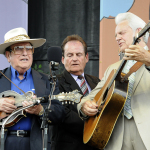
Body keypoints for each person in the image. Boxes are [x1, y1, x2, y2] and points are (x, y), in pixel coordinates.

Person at [77, 12, 150, 150]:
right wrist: (84, 106)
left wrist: (148, 60)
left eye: (122, 33)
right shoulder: (113, 68)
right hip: (116, 138)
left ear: (138, 32)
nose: (117, 38)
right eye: (116, 35)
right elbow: (91, 97)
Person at [0, 27, 65, 150]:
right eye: (18, 49)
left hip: (35, 144)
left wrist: (40, 110)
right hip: (3, 142)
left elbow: (60, 113)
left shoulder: (47, 81)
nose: (25, 53)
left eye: (29, 49)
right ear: (8, 56)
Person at [49, 34, 100, 150]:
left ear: (86, 57)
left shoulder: (97, 82)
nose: (75, 59)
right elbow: (63, 114)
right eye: (70, 55)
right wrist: (95, 127)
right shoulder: (55, 82)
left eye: (79, 54)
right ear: (63, 59)